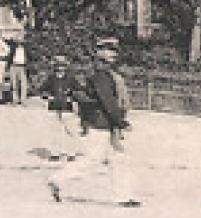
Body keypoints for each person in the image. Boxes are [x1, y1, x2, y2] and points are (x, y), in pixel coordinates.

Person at [52, 38, 140, 206]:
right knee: (93, 159)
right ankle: (57, 179)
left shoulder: (102, 73)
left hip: (104, 122)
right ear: (99, 53)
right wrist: (120, 121)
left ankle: (123, 196)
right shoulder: (100, 75)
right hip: (102, 122)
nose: (113, 53)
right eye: (107, 50)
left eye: (114, 51)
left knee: (118, 158)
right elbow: (107, 100)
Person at [9, 38, 30, 105]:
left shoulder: (26, 50)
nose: (19, 43)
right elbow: (9, 57)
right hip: (14, 65)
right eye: (18, 42)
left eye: (21, 42)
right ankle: (15, 99)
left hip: (22, 66)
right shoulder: (13, 49)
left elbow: (29, 58)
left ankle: (23, 100)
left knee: (23, 84)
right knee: (14, 83)